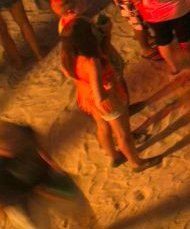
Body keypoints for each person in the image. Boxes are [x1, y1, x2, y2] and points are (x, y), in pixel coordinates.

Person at [59, 18, 158, 172]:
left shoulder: (67, 57)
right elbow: (100, 97)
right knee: (123, 134)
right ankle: (136, 163)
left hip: (86, 97)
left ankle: (114, 156)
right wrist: (110, 88)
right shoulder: (91, 61)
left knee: (103, 127)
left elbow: (72, 77)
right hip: (107, 101)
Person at [0, 120, 97, 229]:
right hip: (21, 201)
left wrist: (49, 161)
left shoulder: (23, 133)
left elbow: (35, 139)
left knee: (79, 205)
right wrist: (2, 212)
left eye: (17, 141)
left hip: (44, 178)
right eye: (4, 148)